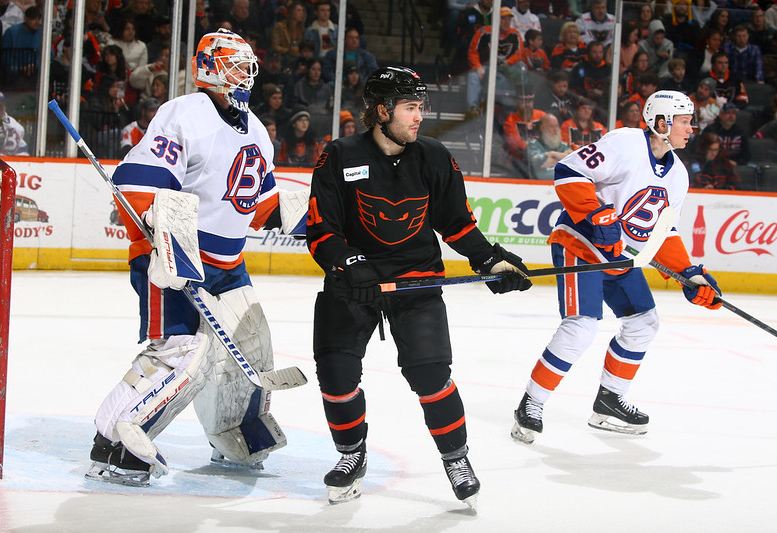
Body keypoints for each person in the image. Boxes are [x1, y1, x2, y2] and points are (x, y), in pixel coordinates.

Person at [306, 66, 531, 506]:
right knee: (335, 376)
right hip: (353, 285)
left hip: (416, 282)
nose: (419, 117)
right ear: (382, 110)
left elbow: (456, 222)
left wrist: (490, 259)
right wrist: (350, 262)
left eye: (419, 107)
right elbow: (320, 229)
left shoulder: (433, 156)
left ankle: (456, 457)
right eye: (410, 108)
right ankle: (351, 455)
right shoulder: (339, 155)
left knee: (431, 376)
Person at [86, 29, 302, 487]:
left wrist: (323, 219)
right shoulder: (185, 113)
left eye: (247, 65)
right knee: (182, 354)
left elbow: (261, 206)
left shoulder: (257, 130)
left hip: (227, 266)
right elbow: (139, 184)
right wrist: (164, 246)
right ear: (208, 68)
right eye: (234, 64)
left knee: (251, 343)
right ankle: (120, 442)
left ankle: (235, 432)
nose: (245, 74)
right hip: (172, 260)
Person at [511, 90, 724, 445]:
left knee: (644, 323)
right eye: (685, 121)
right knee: (581, 327)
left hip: (620, 255)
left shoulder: (679, 176)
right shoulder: (625, 142)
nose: (691, 129)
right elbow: (569, 170)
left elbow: (662, 232)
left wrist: (690, 274)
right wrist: (595, 213)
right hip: (581, 242)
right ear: (662, 123)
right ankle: (531, 403)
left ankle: (609, 401)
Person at [465, 6, 524, 116]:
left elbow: (519, 54)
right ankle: (473, 108)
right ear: (496, 19)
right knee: (473, 75)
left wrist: (508, 63)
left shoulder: (515, 34)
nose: (507, 22)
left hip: (507, 67)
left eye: (508, 19)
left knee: (521, 66)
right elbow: (473, 52)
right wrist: (478, 67)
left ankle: (520, 105)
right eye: (503, 19)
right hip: (486, 67)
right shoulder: (483, 32)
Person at [526, 112, 572, 179]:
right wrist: (562, 158)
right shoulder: (533, 146)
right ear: (542, 128)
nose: (555, 130)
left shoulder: (564, 145)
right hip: (539, 185)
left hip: (563, 183)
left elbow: (572, 160)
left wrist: (552, 154)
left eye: (557, 126)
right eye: (552, 127)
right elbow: (537, 164)